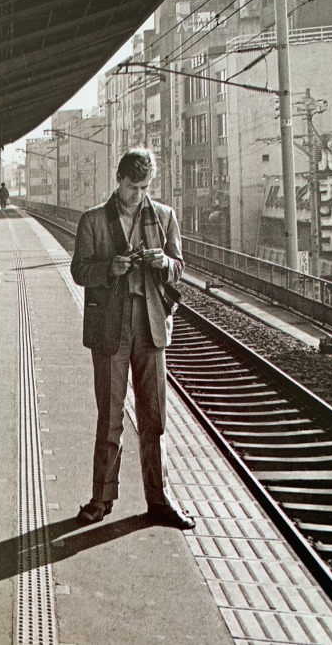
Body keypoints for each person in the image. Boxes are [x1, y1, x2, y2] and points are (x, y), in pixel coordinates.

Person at [70, 147, 195, 530]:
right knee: (109, 416)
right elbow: (78, 271)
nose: (140, 194)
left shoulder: (164, 216)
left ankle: (158, 499)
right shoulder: (93, 220)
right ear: (119, 180)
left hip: (151, 326)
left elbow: (180, 268)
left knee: (154, 417)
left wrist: (165, 264)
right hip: (111, 327)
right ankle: (101, 498)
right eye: (133, 186)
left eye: (146, 187)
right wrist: (110, 268)